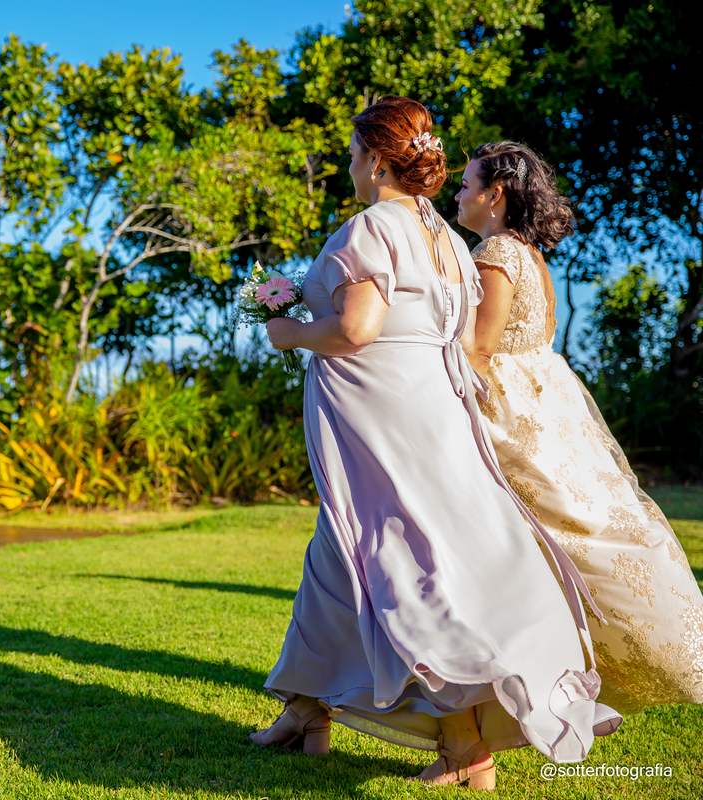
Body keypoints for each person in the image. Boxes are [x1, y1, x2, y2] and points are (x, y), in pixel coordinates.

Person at [252, 96, 619, 791]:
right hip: (430, 406)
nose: (352, 166)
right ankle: (306, 708)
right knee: (344, 550)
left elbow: (358, 329)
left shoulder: (367, 227)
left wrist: (291, 331)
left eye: (357, 154)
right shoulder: (448, 239)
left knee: (395, 556)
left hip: (379, 414)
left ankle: (459, 740)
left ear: (379, 160)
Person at [456, 141, 703, 713]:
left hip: (511, 412)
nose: (459, 195)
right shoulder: (531, 255)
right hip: (549, 409)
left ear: (494, 195)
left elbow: (480, 349)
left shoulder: (493, 251)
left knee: (541, 539)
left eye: (467, 185)